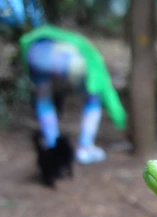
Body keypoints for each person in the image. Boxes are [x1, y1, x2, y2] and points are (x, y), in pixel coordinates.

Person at [2, 0, 127, 165]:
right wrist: (120, 118)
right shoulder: (91, 57)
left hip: (35, 56)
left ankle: (53, 143)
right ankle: (85, 147)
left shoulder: (51, 36)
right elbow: (106, 90)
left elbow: (27, 43)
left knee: (44, 98)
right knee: (93, 99)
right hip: (66, 61)